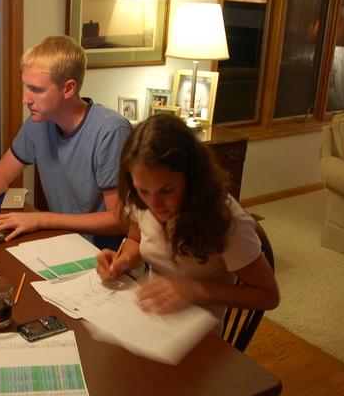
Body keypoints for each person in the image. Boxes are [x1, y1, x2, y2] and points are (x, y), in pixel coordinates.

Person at [0, 34, 132, 249]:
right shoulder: (38, 123)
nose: (25, 99)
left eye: (37, 89)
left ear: (68, 89)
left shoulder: (111, 131)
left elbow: (119, 219)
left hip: (103, 256)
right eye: (26, 87)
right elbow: (2, 172)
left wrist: (41, 219)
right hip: (62, 241)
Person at [95, 113, 278, 320]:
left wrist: (195, 290)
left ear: (192, 176)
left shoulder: (226, 218)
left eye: (167, 190)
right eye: (143, 191)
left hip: (199, 326)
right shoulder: (139, 199)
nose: (155, 205)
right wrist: (124, 260)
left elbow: (268, 296)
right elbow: (136, 240)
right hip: (149, 312)